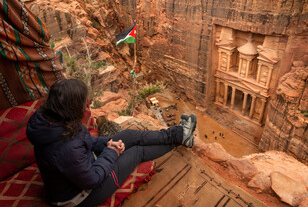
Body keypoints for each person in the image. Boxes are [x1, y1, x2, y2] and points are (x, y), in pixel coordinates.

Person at [26, 79, 197, 207]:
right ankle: (181, 139)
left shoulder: (54, 119)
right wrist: (111, 152)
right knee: (136, 152)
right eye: (83, 103)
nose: (87, 107)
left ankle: (178, 133)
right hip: (80, 196)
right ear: (71, 107)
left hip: (80, 166)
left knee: (128, 135)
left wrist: (107, 143)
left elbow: (84, 141)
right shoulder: (66, 148)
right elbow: (91, 179)